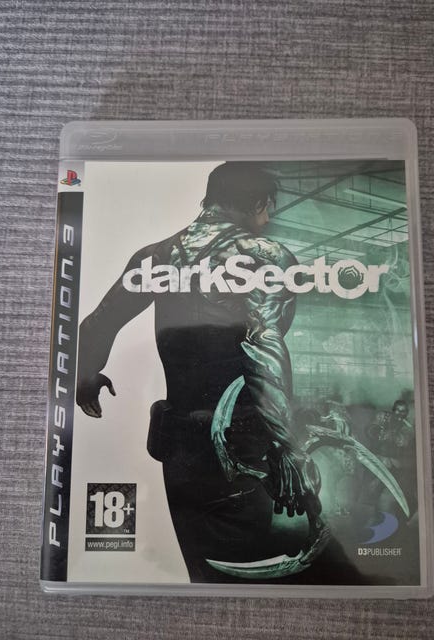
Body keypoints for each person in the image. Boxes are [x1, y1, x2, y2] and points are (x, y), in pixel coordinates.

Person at [76, 162, 324, 583]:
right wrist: (288, 445)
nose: (268, 219)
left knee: (203, 572)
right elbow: (264, 347)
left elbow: (98, 323)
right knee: (252, 576)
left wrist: (86, 376)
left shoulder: (155, 255)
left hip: (179, 445)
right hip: (243, 448)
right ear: (257, 203)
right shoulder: (265, 257)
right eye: (268, 208)